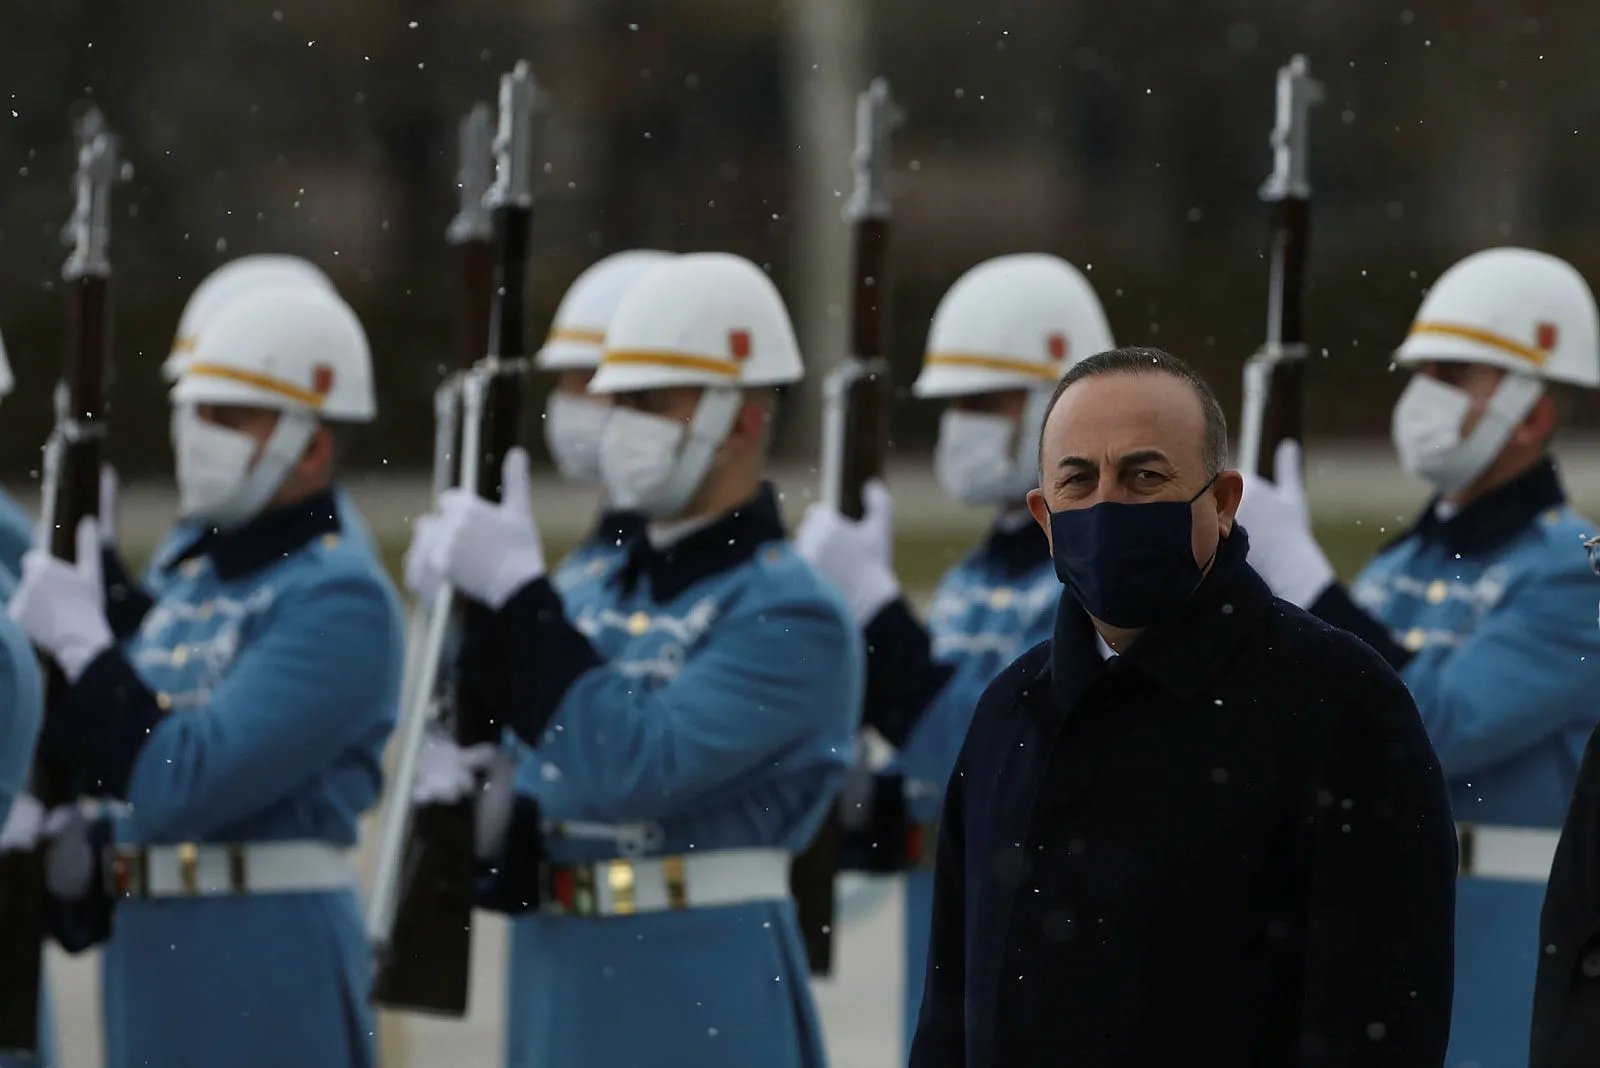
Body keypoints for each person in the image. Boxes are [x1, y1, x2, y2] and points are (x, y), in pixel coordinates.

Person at [910, 346, 1457, 1068]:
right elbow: (952, 1007)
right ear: (1043, 515)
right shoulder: (1010, 713)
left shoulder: (1336, 698)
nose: (1108, 504)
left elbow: (1379, 1015)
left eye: (1145, 476)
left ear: (1224, 502)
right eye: (1079, 479)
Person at [404, 251, 864, 1068]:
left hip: (698, 993)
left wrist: (516, 600)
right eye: (616, 401)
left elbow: (635, 764)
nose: (620, 426)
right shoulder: (589, 592)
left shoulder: (794, 614)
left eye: (650, 403)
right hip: (559, 985)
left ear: (743, 420)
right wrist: (477, 793)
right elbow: (547, 786)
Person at [6, 284, 404, 1068]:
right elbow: (125, 761)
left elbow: (187, 777)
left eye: (230, 417)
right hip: (154, 960)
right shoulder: (191, 579)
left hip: (262, 959)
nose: (199, 436)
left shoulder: (340, 599)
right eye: (195, 412)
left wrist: (89, 650)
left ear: (312, 446)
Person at [1238, 247, 1600, 1067]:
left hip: (1509, 941)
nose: (1422, 396)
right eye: (1422, 370)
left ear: (1532, 414)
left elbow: (1433, 727)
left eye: (1455, 373)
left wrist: (1305, 578)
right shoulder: (1400, 567)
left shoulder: (1575, 576)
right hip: (1383, 936)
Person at [793, 252, 1113, 1059]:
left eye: (985, 400)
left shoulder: (1094, 569)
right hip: (952, 920)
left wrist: (876, 614)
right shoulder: (981, 568)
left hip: (1043, 921)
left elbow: (1005, 747)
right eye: (953, 404)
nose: (960, 426)